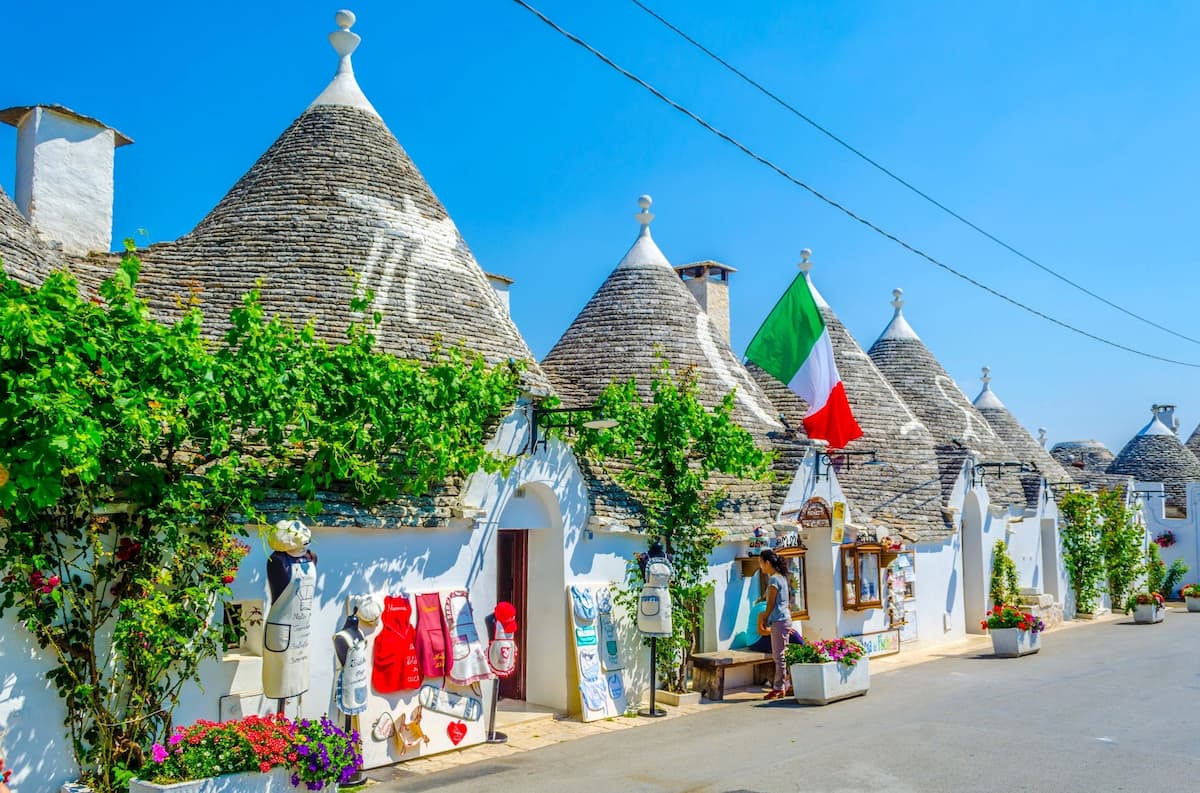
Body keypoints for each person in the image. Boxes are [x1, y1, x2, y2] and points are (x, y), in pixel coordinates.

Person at [758, 549, 793, 700]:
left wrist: (764, 616)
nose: (760, 566)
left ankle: (779, 688)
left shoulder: (773, 580)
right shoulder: (782, 578)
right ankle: (785, 685)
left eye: (761, 562)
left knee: (779, 656)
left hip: (778, 620)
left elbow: (771, 602)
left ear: (768, 563)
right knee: (782, 654)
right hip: (784, 618)